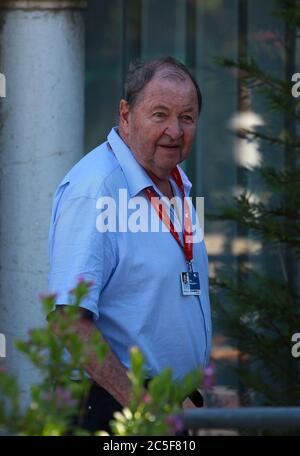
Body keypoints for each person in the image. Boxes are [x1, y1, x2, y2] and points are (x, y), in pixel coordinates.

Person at [48, 56, 211, 435]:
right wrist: (144, 408)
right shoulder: (96, 189)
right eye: (159, 114)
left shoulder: (173, 180)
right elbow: (69, 321)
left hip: (172, 407)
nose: (174, 130)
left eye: (186, 117)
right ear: (126, 114)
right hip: (120, 409)